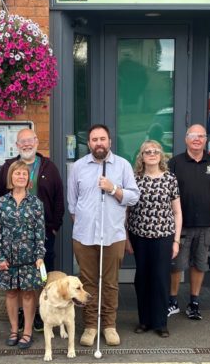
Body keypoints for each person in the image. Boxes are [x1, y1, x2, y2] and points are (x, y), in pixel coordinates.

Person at [67, 124, 140, 347]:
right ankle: (90, 326)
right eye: (94, 139)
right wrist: (84, 225)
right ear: (88, 143)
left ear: (109, 141)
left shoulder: (123, 165)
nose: (99, 143)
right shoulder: (78, 167)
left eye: (103, 139)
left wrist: (112, 189)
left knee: (109, 283)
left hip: (113, 235)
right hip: (84, 236)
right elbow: (72, 205)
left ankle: (109, 325)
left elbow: (133, 197)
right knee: (87, 283)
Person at [0, 128, 64, 333]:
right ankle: (20, 318)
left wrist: (54, 228)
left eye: (30, 140)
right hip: (12, 239)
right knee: (16, 283)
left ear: (36, 141)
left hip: (42, 235)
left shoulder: (49, 167)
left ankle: (40, 316)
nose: (26, 144)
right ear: (17, 145)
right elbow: (0, 195)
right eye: (22, 142)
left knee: (41, 277)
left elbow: (59, 199)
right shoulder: (9, 166)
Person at [167, 124, 210, 320]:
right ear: (186, 139)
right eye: (193, 135)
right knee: (176, 265)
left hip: (206, 224)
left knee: (200, 264)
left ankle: (194, 302)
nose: (197, 139)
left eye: (201, 136)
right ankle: (173, 301)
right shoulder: (175, 163)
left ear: (205, 140)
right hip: (180, 226)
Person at [125, 140, 181, 338]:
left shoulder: (170, 179)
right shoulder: (134, 179)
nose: (151, 154)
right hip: (139, 236)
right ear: (141, 156)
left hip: (164, 236)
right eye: (147, 151)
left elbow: (177, 212)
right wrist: (126, 239)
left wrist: (176, 241)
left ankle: (160, 322)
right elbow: (127, 211)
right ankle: (144, 320)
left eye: (155, 151)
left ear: (161, 155)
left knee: (160, 278)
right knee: (142, 278)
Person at [0, 161, 46, 349]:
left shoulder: (36, 203)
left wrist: (40, 255)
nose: (21, 176)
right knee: (11, 293)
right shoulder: (1, 203)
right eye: (17, 173)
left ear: (28, 179)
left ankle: (28, 332)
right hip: (7, 257)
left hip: (30, 257)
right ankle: (14, 330)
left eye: (24, 173)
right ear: (11, 177)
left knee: (29, 295)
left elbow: (40, 232)